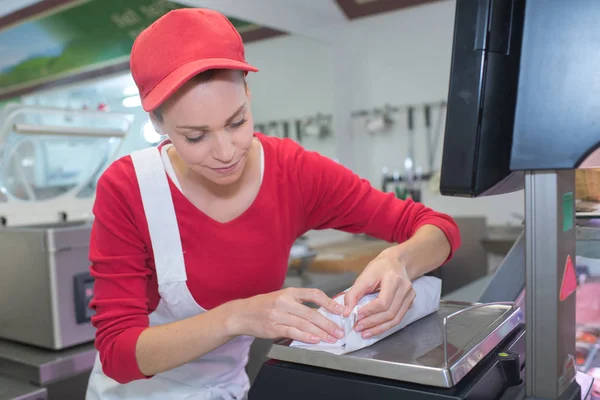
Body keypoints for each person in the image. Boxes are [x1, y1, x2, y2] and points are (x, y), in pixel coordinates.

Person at [85, 7, 461, 400]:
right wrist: (237, 316)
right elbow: (118, 353)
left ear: (248, 93)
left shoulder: (292, 172)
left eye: (237, 121)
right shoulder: (130, 188)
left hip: (228, 391)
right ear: (159, 125)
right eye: (196, 137)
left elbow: (437, 227)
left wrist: (399, 261)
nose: (227, 152)